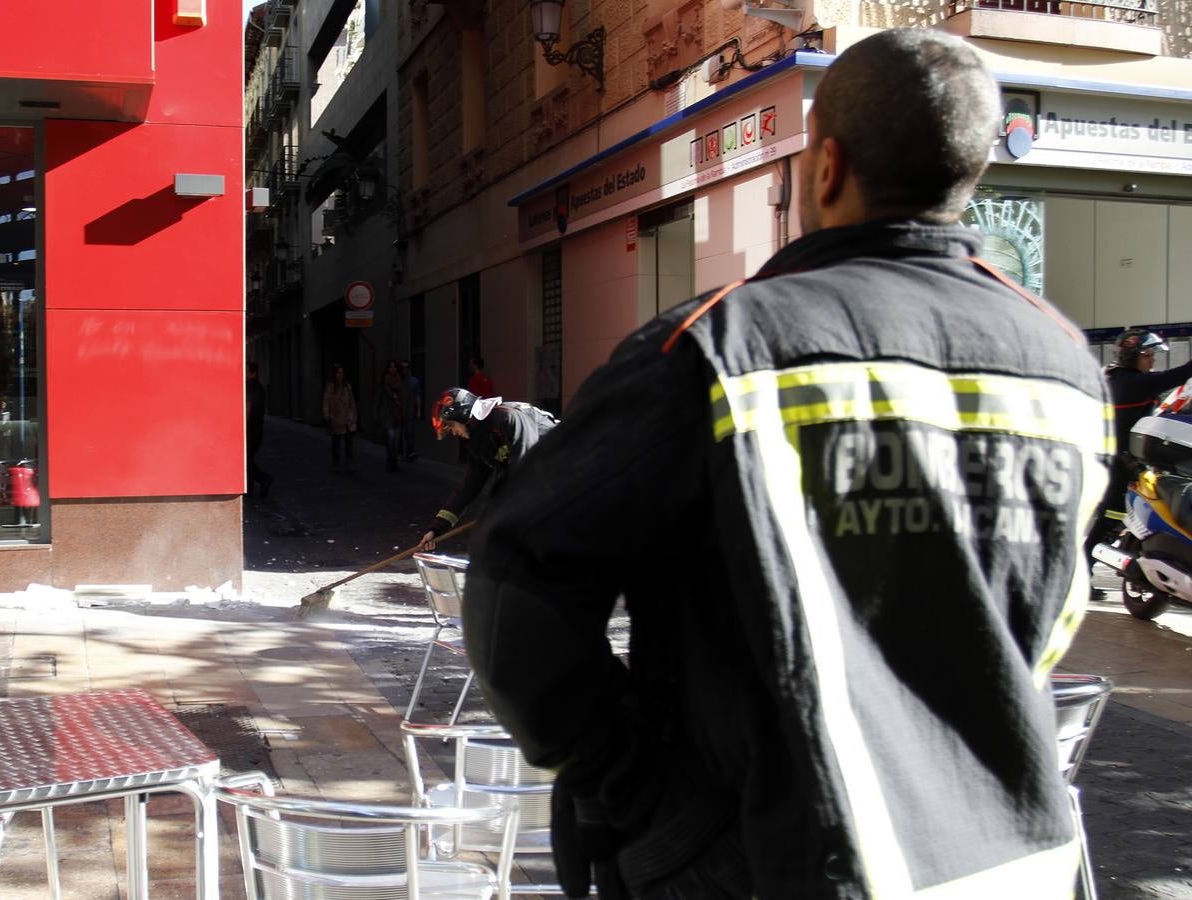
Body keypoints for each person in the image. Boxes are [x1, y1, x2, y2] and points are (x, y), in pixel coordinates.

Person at [461, 28, 1112, 900]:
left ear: (827, 167)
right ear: (969, 178)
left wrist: (639, 791)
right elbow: (1053, 614)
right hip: (1006, 864)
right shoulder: (1065, 365)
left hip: (767, 861)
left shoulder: (718, 347)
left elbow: (515, 584)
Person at [1087, 328, 1192, 551]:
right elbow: (1179, 375)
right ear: (1131, 357)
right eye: (1147, 356)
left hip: (1115, 458)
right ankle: (1089, 567)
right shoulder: (1132, 383)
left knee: (1122, 514)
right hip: (1119, 462)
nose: (1152, 360)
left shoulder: (1115, 377)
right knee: (1113, 515)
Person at [416, 388, 557, 550]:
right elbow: (468, 489)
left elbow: (525, 469)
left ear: (464, 414)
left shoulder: (508, 418)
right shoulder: (479, 441)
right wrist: (437, 529)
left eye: (451, 425)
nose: (453, 432)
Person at [322, 363, 358, 473]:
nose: (340, 375)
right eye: (338, 373)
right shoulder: (330, 387)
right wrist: (326, 414)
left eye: (342, 373)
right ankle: (336, 463)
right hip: (335, 418)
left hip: (347, 418)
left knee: (348, 442)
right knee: (336, 443)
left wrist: (354, 416)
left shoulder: (347, 386)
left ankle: (349, 463)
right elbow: (326, 401)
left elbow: (352, 401)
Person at [245, 361, 272, 499]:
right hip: (258, 430)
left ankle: (261, 480)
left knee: (246, 459)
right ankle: (257, 483)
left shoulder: (249, 386)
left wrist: (243, 424)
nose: (244, 373)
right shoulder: (260, 388)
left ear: (253, 372)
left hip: (249, 430)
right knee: (247, 459)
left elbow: (248, 406)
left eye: (246, 370)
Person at [376, 360, 406, 472]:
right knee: (391, 438)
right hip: (388, 414)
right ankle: (390, 460)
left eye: (394, 367)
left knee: (396, 440)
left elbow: (404, 398)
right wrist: (378, 412)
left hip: (398, 414)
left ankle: (394, 461)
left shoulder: (400, 381)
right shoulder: (384, 382)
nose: (392, 369)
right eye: (390, 367)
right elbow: (379, 398)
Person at [399, 360, 423, 462]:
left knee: (410, 432)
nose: (404, 370)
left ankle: (410, 452)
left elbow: (418, 396)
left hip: (410, 411)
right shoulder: (399, 381)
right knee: (400, 433)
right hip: (400, 411)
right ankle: (402, 452)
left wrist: (418, 411)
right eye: (403, 368)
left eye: (406, 367)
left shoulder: (414, 381)